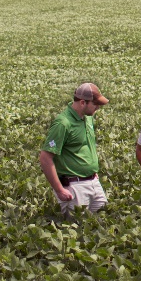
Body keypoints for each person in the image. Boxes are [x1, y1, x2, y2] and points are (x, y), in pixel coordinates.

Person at [39, 82, 109, 220]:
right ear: (83, 102)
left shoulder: (88, 118)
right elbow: (45, 157)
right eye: (95, 104)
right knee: (76, 229)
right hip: (74, 186)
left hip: (94, 182)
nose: (98, 107)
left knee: (101, 221)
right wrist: (59, 190)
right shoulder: (63, 123)